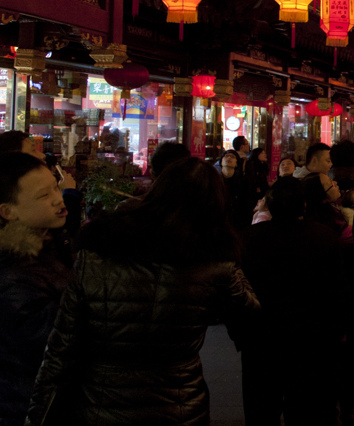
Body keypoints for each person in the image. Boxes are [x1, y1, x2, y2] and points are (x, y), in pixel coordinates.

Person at [26, 157, 260, 426]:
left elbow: (61, 348)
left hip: (99, 404)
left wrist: (38, 414)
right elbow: (251, 321)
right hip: (179, 404)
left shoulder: (100, 246)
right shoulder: (215, 261)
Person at [242, 177, 345, 426]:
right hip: (312, 338)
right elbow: (337, 289)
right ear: (304, 206)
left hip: (262, 337)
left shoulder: (249, 238)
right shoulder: (324, 238)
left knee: (261, 409)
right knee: (307, 408)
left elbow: (238, 290)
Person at [0, 153, 72, 426]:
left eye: (56, 186)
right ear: (8, 211)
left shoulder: (48, 245)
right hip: (26, 407)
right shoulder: (13, 274)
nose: (58, 197)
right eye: (43, 196)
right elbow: (54, 344)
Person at [299, 143, 343, 234]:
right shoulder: (301, 184)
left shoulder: (323, 178)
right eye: (327, 161)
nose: (331, 164)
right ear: (314, 160)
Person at [220, 149, 253, 236]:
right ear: (221, 162)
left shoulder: (242, 183)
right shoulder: (215, 181)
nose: (229, 157)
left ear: (237, 163)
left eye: (233, 157)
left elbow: (247, 204)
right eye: (226, 156)